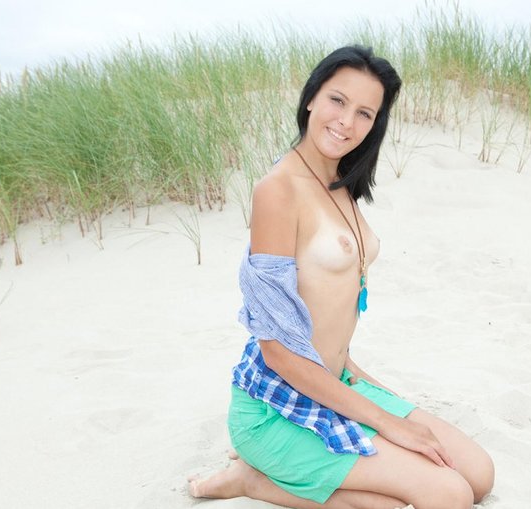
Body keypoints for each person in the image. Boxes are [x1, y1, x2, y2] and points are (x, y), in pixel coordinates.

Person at [188, 45, 494, 509]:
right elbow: (277, 352)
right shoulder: (278, 191)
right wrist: (388, 424)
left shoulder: (340, 186)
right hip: (274, 406)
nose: (346, 122)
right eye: (337, 100)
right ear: (312, 97)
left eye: (364, 113)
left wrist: (380, 397)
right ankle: (251, 479)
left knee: (478, 474)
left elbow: (329, 320)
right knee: (448, 496)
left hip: (336, 383)